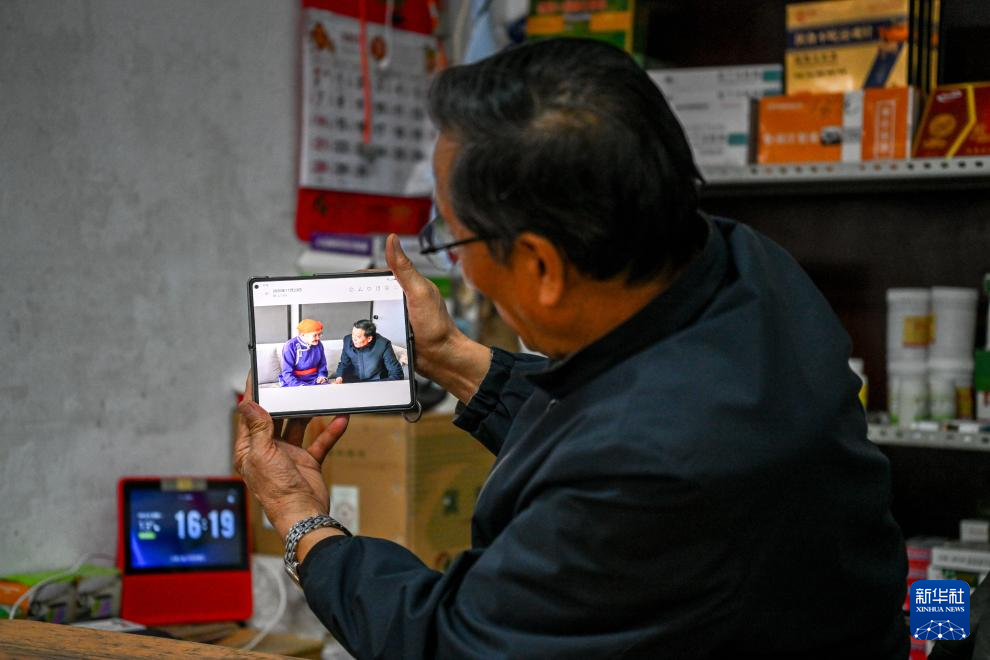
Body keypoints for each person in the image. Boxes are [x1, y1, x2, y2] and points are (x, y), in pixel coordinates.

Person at [235, 39, 908, 659]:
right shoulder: (749, 267)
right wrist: (450, 357)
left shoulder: (643, 469)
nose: (457, 266)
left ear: (542, 267)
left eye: (452, 237)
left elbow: (454, 643)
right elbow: (612, 411)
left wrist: (301, 522)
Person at [331, 320, 404, 383]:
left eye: (358, 337)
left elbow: (396, 373)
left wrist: (382, 384)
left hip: (376, 383)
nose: (353, 339)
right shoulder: (347, 340)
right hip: (353, 383)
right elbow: (343, 363)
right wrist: (339, 377)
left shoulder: (383, 344)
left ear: (369, 338)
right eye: (353, 334)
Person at [278, 319, 329, 387]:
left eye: (319, 334)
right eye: (314, 335)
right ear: (302, 334)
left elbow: (322, 365)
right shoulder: (290, 346)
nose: (318, 338)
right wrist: (300, 385)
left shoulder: (319, 344)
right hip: (294, 380)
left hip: (314, 379)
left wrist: (322, 376)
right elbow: (287, 373)